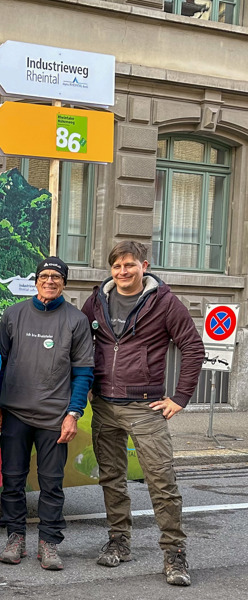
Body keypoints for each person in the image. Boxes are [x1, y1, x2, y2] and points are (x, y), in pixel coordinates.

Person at [81, 241, 204, 586]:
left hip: (145, 407)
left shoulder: (164, 303)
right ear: (111, 270)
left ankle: (174, 553)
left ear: (144, 266)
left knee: (162, 483)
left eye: (130, 265)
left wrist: (180, 398)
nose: (123, 272)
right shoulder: (96, 302)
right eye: (117, 266)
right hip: (104, 405)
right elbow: (80, 342)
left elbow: (193, 347)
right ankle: (119, 542)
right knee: (112, 480)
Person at [0, 257, 94, 570]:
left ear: (64, 283)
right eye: (44, 276)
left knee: (51, 484)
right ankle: (15, 537)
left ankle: (48, 542)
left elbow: (84, 372)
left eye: (56, 277)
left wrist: (74, 412)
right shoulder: (14, 314)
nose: (50, 281)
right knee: (12, 480)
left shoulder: (75, 320)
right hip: (15, 414)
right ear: (36, 281)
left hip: (55, 417)